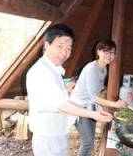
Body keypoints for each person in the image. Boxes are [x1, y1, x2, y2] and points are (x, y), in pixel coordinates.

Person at [26, 24, 113, 156]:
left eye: (68, 48)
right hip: (48, 136)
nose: (64, 53)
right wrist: (94, 114)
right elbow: (63, 105)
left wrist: (65, 90)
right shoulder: (42, 71)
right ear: (47, 45)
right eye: (59, 46)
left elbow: (57, 99)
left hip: (58, 131)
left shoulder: (53, 69)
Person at [70, 39, 127, 156]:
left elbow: (98, 90)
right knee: (88, 143)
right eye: (106, 52)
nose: (110, 55)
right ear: (99, 52)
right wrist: (115, 105)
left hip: (90, 107)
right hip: (79, 108)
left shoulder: (103, 68)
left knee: (90, 142)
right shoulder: (92, 69)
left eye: (112, 53)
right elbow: (93, 97)